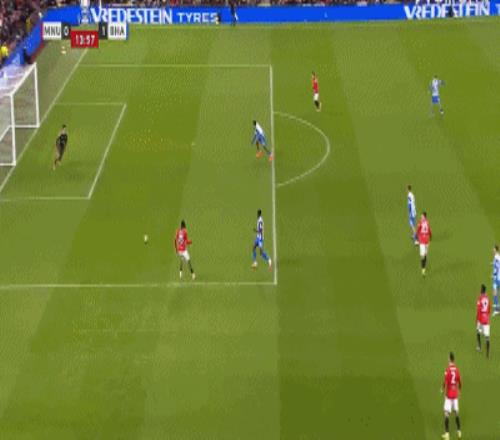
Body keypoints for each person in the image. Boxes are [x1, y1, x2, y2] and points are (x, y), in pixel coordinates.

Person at [441, 352, 462, 440]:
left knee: (446, 414)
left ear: (449, 359)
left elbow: (445, 382)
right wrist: (459, 391)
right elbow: (460, 382)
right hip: (455, 394)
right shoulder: (457, 369)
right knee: (456, 413)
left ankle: (447, 434)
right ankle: (459, 431)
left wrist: (442, 389)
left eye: (448, 358)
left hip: (449, 395)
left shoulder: (448, 370)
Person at [476, 284, 491, 358]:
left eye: (480, 289)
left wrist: (477, 319)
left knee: (478, 331)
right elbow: (489, 308)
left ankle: (479, 347)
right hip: (486, 318)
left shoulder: (480, 298)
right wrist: (487, 316)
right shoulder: (487, 298)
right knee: (487, 337)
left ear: (481, 290)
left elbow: (478, 309)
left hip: (481, 317)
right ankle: (487, 354)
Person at [417, 211, 432, 276]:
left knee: (422, 255)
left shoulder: (420, 223)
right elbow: (430, 231)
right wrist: (430, 237)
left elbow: (418, 230)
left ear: (424, 217)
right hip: (427, 240)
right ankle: (424, 268)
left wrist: (417, 237)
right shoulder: (427, 223)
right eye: (421, 216)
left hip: (422, 241)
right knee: (425, 254)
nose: (421, 217)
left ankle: (423, 269)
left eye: (422, 216)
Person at [492, 245, 500, 316]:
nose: (492, 250)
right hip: (497, 277)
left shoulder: (496, 257)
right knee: (495, 292)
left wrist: (494, 275)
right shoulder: (498, 257)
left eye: (493, 249)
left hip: (497, 278)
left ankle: (496, 309)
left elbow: (497, 267)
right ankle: (497, 309)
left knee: (495, 292)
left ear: (496, 250)